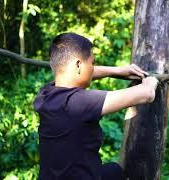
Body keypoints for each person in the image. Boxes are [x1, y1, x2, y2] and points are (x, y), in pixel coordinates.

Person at [33, 32, 159, 180]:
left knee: (113, 171)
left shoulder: (45, 94)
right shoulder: (81, 103)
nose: (93, 68)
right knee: (116, 172)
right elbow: (147, 93)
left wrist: (118, 70)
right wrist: (151, 79)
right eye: (92, 63)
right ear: (79, 64)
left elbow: (83, 73)